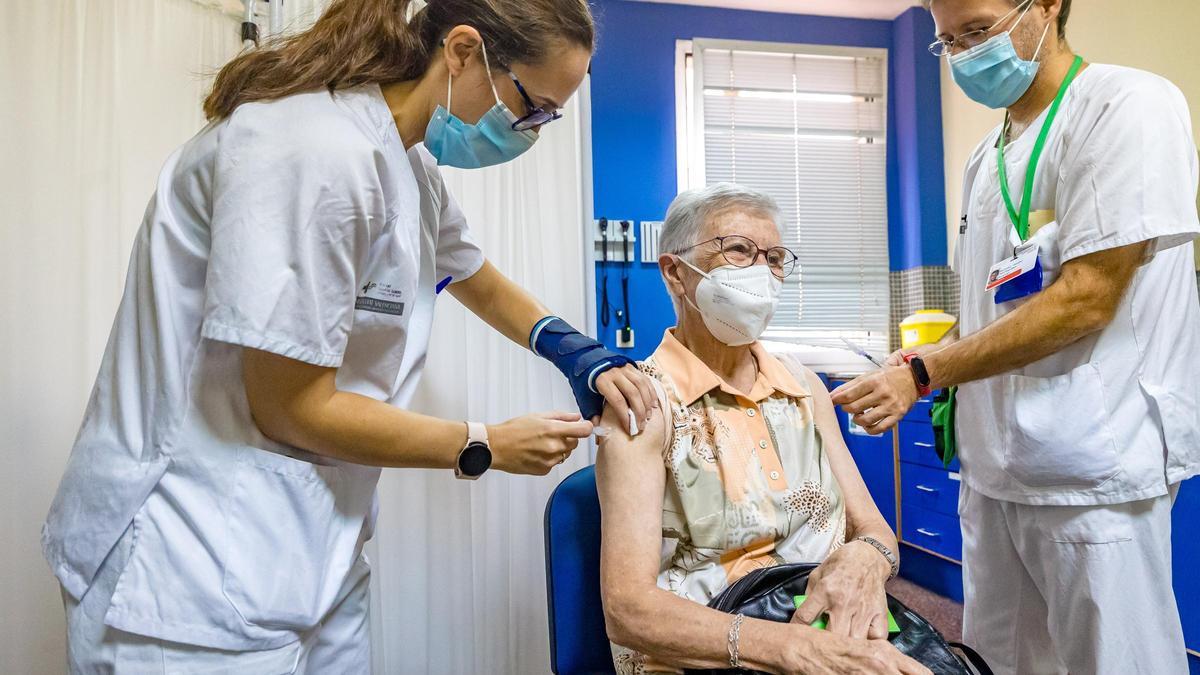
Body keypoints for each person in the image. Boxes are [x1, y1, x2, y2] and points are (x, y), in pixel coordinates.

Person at [41, 0, 658, 671]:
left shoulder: (406, 162)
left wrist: (575, 350)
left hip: (309, 554)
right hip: (185, 567)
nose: (529, 133)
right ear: (461, 52)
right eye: (530, 107)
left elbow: (472, 275)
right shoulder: (309, 150)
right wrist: (483, 443)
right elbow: (289, 404)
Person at [832, 1, 1200, 672]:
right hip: (996, 472)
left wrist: (925, 372)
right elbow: (997, 311)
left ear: (1047, 7)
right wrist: (922, 354)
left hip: (1094, 470)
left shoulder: (1126, 106)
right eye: (949, 42)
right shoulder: (985, 158)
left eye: (977, 30)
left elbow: (1088, 296)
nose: (966, 54)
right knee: (999, 660)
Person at [596, 184, 931, 675]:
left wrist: (865, 560)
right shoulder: (644, 403)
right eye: (739, 250)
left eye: (774, 258)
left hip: (828, 633)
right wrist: (788, 649)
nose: (763, 271)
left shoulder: (803, 387)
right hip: (711, 652)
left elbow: (875, 530)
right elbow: (628, 612)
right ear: (675, 273)